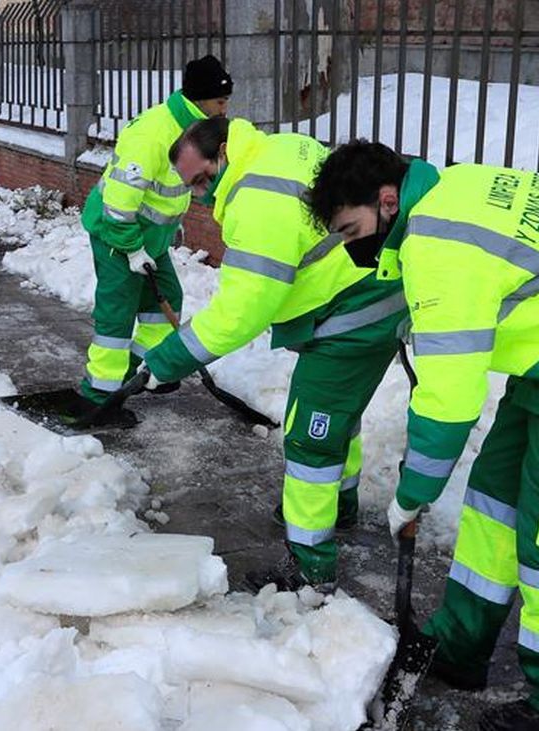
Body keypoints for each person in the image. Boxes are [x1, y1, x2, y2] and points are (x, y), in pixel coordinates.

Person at [304, 141, 539, 731]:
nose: (354, 247)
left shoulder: (437, 245)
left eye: (353, 229)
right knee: (494, 498)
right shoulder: (451, 188)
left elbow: (450, 399)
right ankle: (460, 643)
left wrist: (412, 495)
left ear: (387, 202)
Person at [140, 118, 408, 593]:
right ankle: (340, 506)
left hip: (355, 311)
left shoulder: (255, 199)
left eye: (202, 179)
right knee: (335, 414)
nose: (200, 195)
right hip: (374, 292)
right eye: (191, 188)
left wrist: (165, 361)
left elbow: (241, 312)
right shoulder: (281, 148)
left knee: (310, 436)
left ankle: (310, 566)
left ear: (223, 151)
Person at [76, 54, 232, 413]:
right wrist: (131, 250)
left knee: (163, 306)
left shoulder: (196, 132)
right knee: (118, 310)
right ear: (200, 99)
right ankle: (99, 392)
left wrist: (170, 227)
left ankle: (132, 374)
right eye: (220, 102)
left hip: (151, 240)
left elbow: (174, 188)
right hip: (117, 234)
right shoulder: (153, 132)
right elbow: (118, 203)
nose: (224, 110)